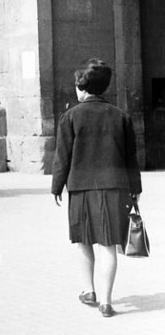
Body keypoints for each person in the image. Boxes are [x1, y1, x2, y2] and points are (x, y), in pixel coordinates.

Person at [51, 57, 142, 318]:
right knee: (109, 245)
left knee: (84, 240)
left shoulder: (70, 116)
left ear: (81, 87)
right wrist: (135, 189)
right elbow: (130, 158)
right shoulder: (121, 116)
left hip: (81, 188)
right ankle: (106, 301)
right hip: (115, 187)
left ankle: (89, 290)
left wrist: (57, 186)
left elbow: (62, 156)